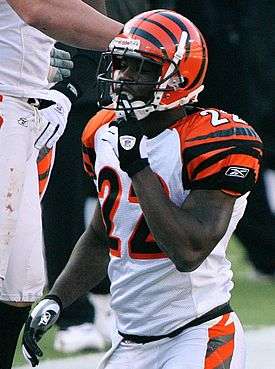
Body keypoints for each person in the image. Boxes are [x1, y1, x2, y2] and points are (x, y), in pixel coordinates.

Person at [22, 9, 263, 369]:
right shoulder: (102, 131)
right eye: (120, 64)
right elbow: (104, 234)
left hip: (196, 335)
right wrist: (58, 297)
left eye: (142, 68)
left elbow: (189, 251)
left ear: (179, 76)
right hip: (130, 342)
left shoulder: (215, 140)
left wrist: (138, 166)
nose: (124, 77)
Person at [0, 1, 122, 368]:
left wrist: (70, 87)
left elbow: (83, 8)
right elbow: (38, 8)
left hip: (30, 108)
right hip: (8, 101)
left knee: (18, 287)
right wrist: (140, 39)